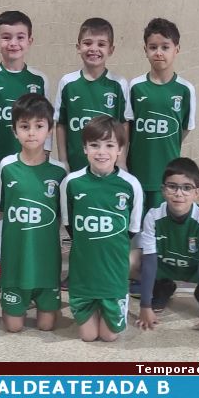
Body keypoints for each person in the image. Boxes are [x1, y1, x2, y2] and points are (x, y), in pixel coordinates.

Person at [0, 10, 49, 292]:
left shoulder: (39, 80)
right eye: (6, 37)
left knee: (26, 209)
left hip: (31, 160)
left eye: (19, 37)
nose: (13, 43)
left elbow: (47, 121)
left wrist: (46, 157)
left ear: (30, 41)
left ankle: (26, 262)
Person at [60, 116, 143, 342]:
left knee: (108, 336)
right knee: (88, 336)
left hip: (113, 274)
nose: (101, 152)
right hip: (83, 274)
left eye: (109, 145)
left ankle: (109, 303)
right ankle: (91, 303)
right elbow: (70, 226)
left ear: (120, 149)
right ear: (85, 148)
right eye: (94, 145)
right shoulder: (72, 182)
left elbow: (132, 229)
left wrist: (109, 244)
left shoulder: (131, 184)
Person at [134, 158, 199, 339]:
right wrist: (145, 306)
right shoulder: (153, 216)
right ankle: (162, 286)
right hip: (164, 265)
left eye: (186, 188)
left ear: (197, 193)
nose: (179, 193)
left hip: (194, 268)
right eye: (172, 186)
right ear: (163, 190)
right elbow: (148, 261)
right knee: (131, 261)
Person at [0, 94, 67, 332]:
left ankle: (46, 298)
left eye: (39, 126)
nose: (32, 133)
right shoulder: (6, 167)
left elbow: (62, 218)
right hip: (15, 263)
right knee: (13, 328)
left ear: (49, 130)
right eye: (25, 127)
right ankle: (16, 294)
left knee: (47, 327)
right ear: (15, 131)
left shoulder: (59, 172)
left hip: (46, 264)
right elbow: (1, 212)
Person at [126, 17, 196, 214]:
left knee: (160, 229)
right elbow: (127, 127)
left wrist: (166, 145)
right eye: (153, 47)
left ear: (177, 49)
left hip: (167, 176)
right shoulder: (135, 86)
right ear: (145, 50)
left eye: (165, 47)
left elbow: (185, 128)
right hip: (137, 172)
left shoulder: (185, 90)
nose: (158, 52)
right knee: (137, 231)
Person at [54, 17, 131, 172]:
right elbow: (61, 124)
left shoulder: (119, 83)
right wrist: (63, 160)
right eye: (88, 43)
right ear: (78, 47)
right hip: (76, 166)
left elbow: (124, 124)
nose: (94, 49)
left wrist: (121, 161)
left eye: (101, 44)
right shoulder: (67, 82)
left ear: (111, 50)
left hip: (109, 167)